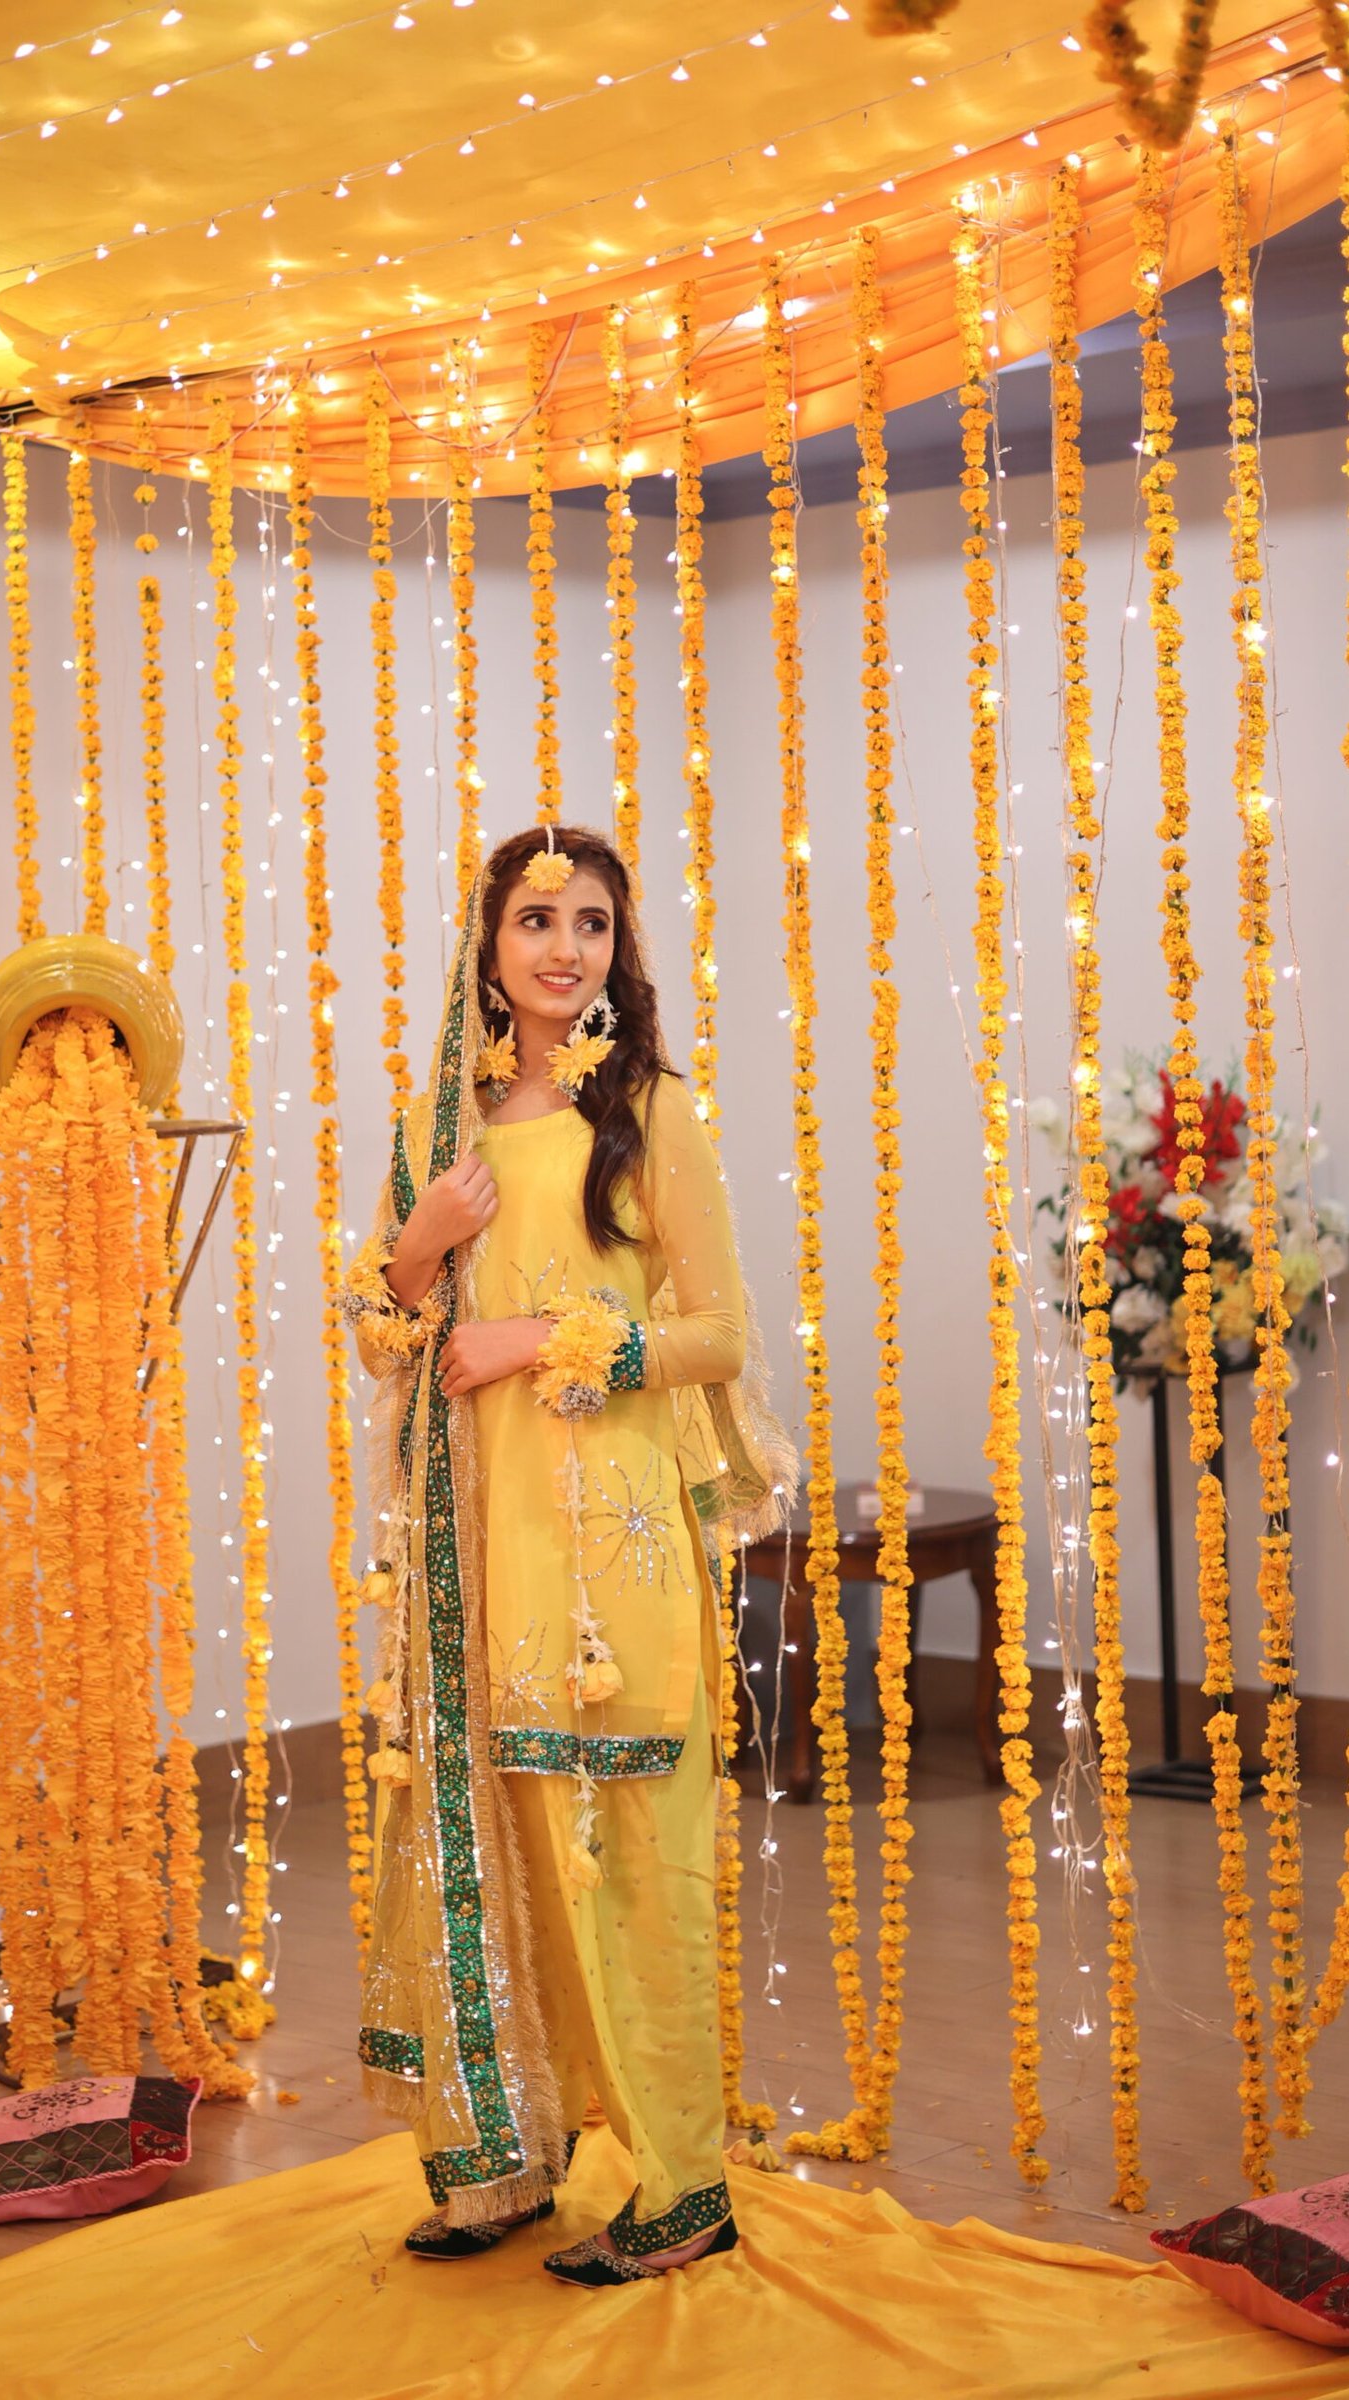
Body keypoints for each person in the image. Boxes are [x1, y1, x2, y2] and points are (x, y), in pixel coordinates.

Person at [342, 823, 792, 2287]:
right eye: (536, 921)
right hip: (476, 1557)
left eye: (590, 923)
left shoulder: (646, 1111)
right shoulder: (443, 1126)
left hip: (609, 1559)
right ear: (489, 946)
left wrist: (534, 1337)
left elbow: (719, 1335)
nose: (563, 948)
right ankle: (504, 2160)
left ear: (618, 949)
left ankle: (685, 2186)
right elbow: (387, 1336)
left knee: (637, 1868)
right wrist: (421, 1243)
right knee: (500, 1856)